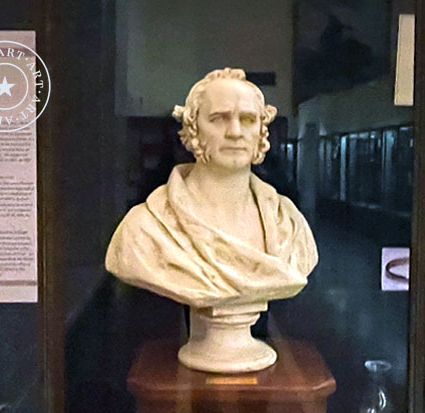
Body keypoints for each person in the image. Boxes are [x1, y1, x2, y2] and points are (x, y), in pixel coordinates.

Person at [105, 68, 318, 310]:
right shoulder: (144, 228)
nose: (235, 132)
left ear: (261, 130)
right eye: (219, 118)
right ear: (193, 128)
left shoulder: (288, 223)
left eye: (248, 119)